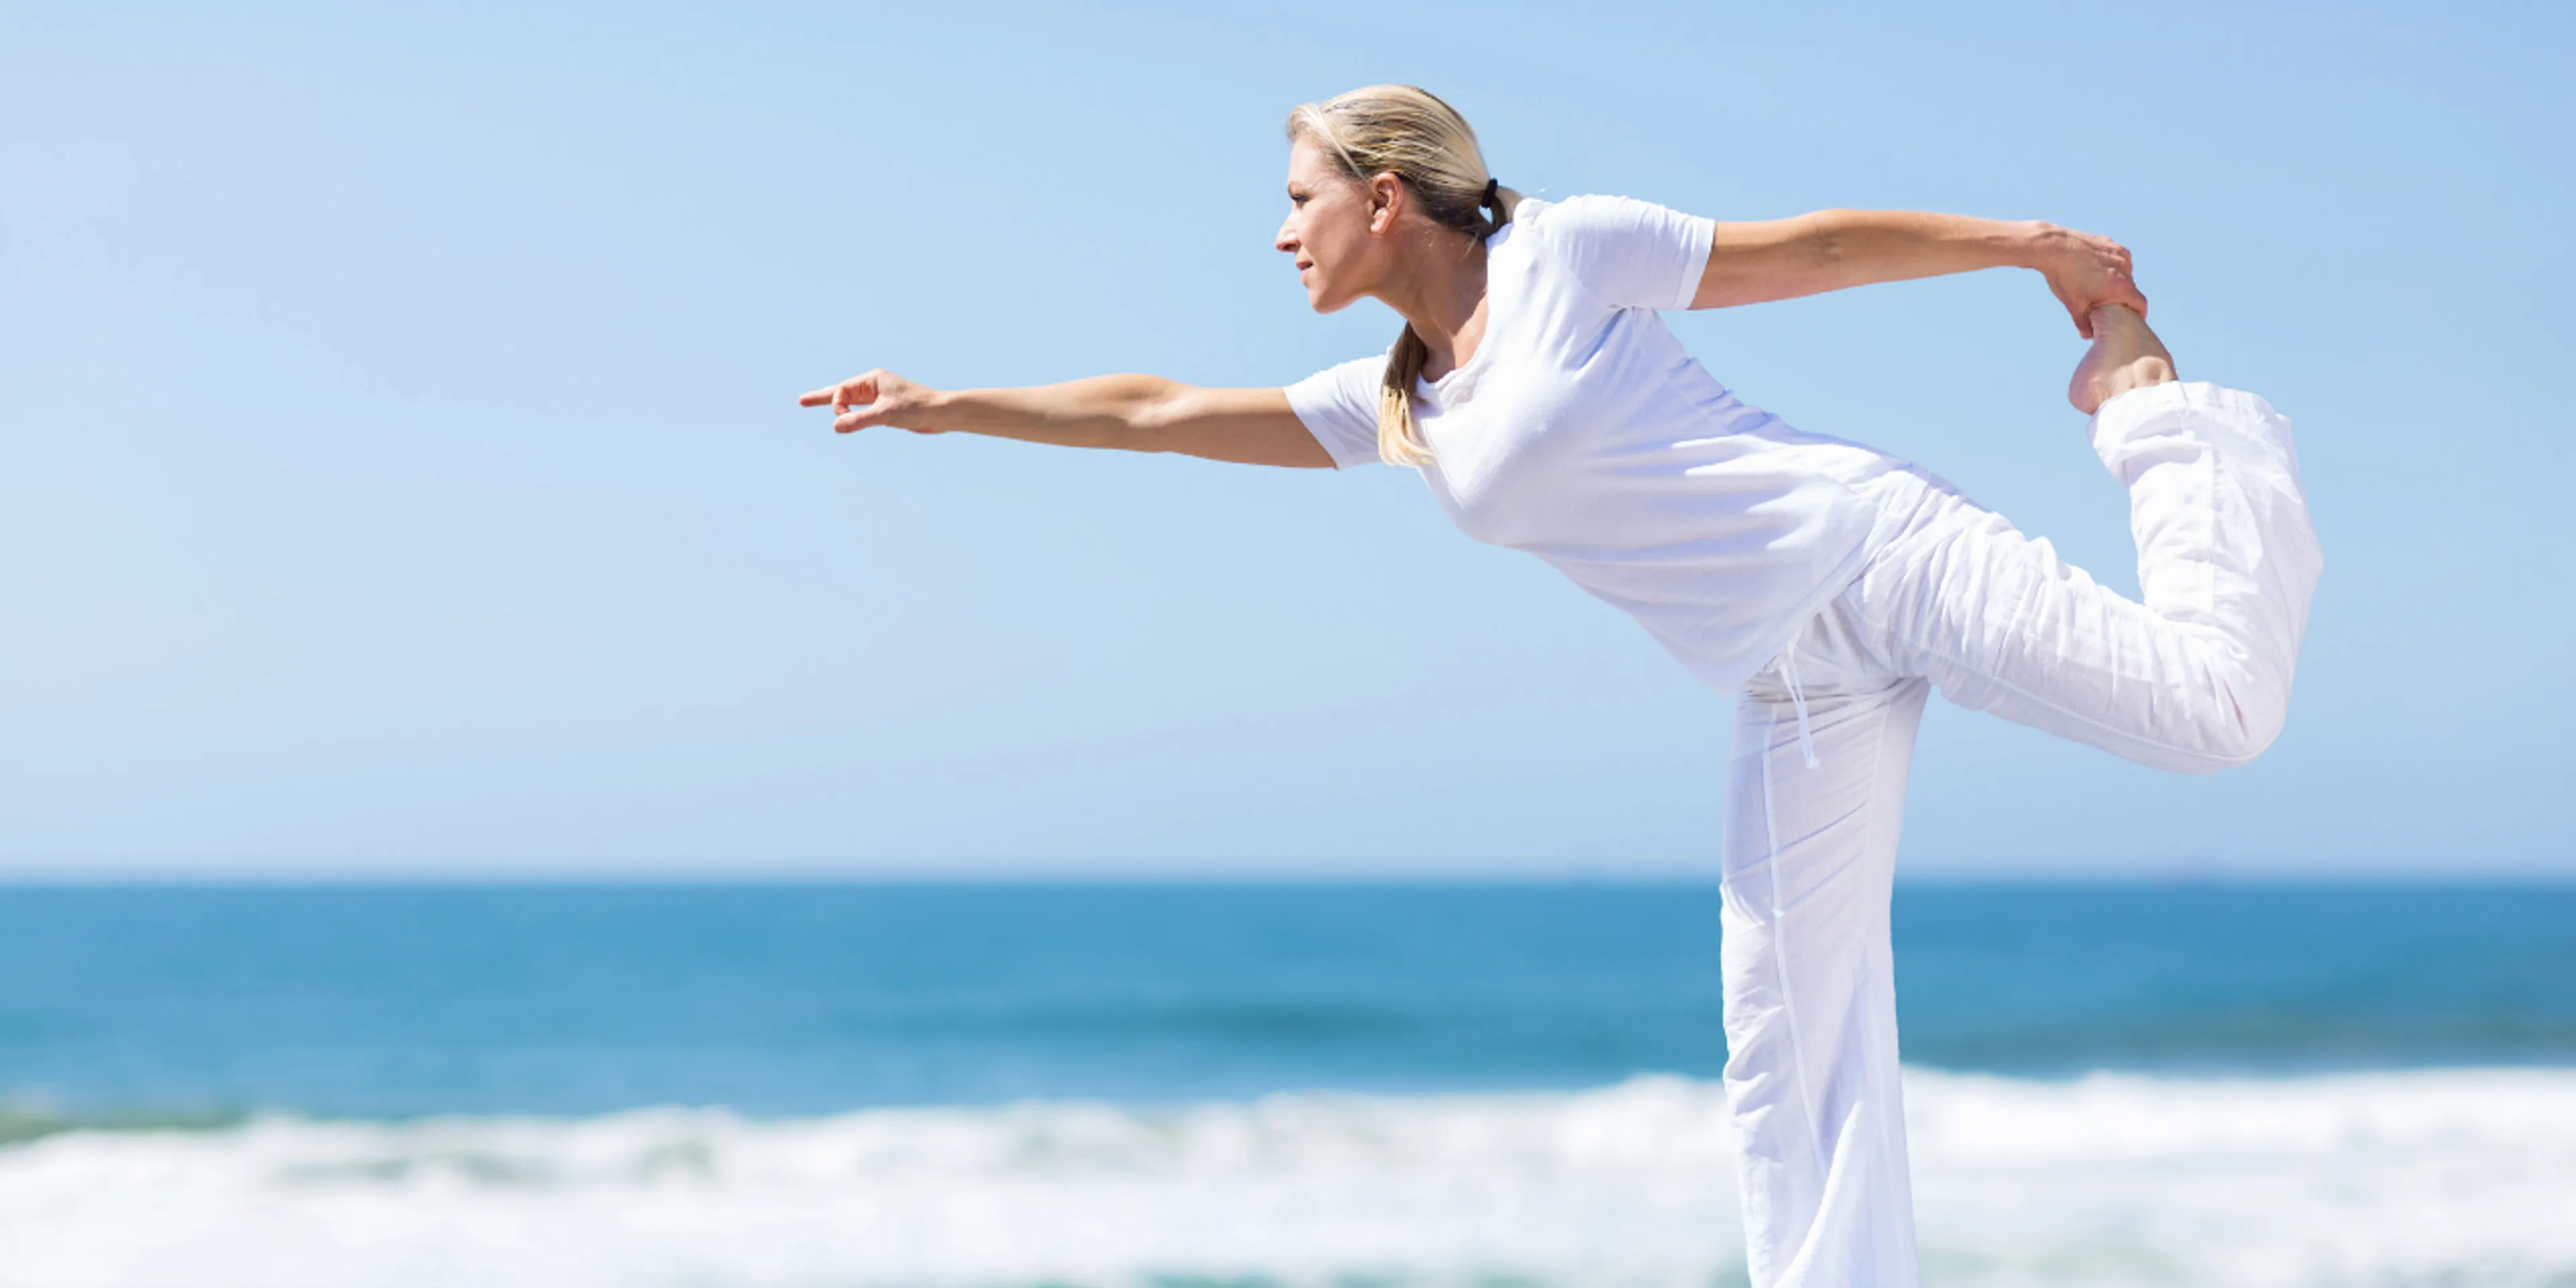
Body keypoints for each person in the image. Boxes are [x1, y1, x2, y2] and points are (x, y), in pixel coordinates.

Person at [797, 84, 2321, 1288]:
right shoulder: (1400, 405)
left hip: (1872, 552)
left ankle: (2153, 408)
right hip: (1791, 685)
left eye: (1297, 201)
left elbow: (1816, 247)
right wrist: (953, 408)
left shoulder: (1565, 254)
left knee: (2213, 714)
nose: (1281, 237)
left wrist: (2031, 247)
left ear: (1384, 198)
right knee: (1787, 1044)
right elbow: (1166, 412)